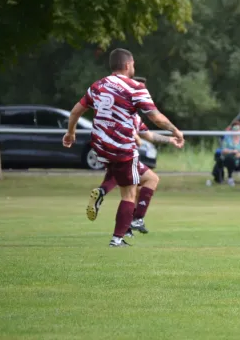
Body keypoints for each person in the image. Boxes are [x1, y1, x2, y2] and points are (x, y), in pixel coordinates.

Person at [63, 48, 183, 247]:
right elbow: (155, 117)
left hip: (100, 148)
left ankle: (104, 195)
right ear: (128, 65)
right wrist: (175, 131)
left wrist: (70, 133)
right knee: (129, 193)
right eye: (133, 64)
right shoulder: (135, 88)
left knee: (138, 177)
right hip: (121, 149)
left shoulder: (98, 85)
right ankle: (118, 238)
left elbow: (76, 111)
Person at [87, 113, 184, 237]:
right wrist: (170, 138)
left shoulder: (108, 112)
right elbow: (146, 136)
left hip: (104, 152)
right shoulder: (131, 115)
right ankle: (135, 221)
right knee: (149, 180)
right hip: (126, 154)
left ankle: (102, 193)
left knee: (130, 183)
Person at [220, 121, 240, 186]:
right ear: (232, 130)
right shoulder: (227, 139)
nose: (236, 131)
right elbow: (223, 150)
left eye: (238, 129)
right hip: (230, 157)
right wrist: (232, 151)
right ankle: (230, 178)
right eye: (235, 129)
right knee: (230, 158)